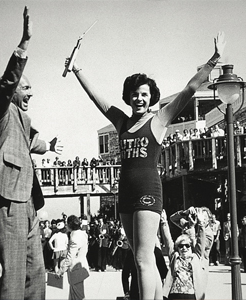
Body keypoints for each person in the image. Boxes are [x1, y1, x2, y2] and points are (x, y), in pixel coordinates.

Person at [66, 32, 225, 299]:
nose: (139, 98)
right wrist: (76, 69)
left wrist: (213, 60)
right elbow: (98, 99)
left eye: (144, 94)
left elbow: (188, 90)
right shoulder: (121, 121)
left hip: (148, 193)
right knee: (142, 259)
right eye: (134, 94)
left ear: (151, 98)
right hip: (125, 194)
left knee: (142, 259)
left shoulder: (159, 120)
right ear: (128, 97)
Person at [0, 7, 63, 300]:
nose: (31, 92)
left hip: (27, 200)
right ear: (13, 90)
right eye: (26, 87)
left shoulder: (23, 120)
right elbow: (7, 83)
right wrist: (24, 43)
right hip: (7, 198)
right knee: (12, 275)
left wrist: (49, 147)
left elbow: (30, 142)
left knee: (36, 274)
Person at [160, 209, 207, 300]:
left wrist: (201, 224)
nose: (184, 248)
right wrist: (164, 223)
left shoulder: (195, 257)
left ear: (191, 247)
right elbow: (168, 240)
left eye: (187, 246)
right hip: (174, 295)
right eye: (181, 246)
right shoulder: (175, 256)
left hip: (191, 295)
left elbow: (201, 242)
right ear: (178, 247)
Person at [56, 215, 90, 300]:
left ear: (70, 225)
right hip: (81, 267)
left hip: (75, 270)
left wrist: (60, 271)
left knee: (77, 296)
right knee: (76, 295)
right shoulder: (83, 234)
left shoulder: (75, 237)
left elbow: (70, 258)